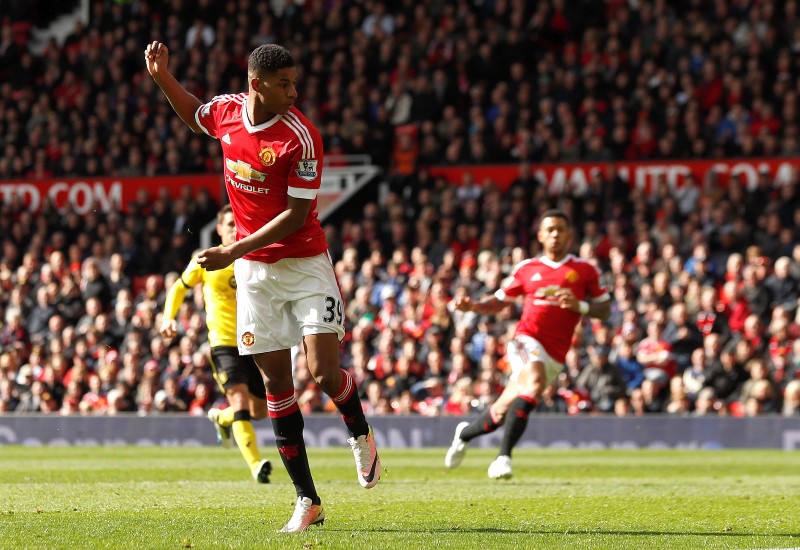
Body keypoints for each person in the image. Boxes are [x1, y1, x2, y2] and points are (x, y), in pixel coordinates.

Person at [145, 41, 380, 532]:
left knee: (323, 372)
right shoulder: (229, 113)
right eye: (284, 84)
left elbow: (296, 215)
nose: (294, 92)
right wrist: (162, 76)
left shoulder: (303, 138)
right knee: (276, 385)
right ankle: (307, 499)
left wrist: (231, 250)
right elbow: (195, 116)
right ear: (257, 85)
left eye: (295, 82)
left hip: (305, 264)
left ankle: (359, 432)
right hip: (256, 274)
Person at [445, 209, 611, 478]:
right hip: (526, 340)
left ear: (570, 235)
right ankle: (503, 458)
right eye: (550, 229)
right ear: (541, 236)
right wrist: (474, 306)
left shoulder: (584, 270)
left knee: (501, 411)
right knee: (534, 382)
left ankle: (464, 433)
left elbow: (604, 309)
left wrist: (579, 305)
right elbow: (500, 301)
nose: (556, 234)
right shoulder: (527, 268)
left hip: (556, 354)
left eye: (561, 229)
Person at [159, 205, 271, 484]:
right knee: (241, 401)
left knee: (259, 411)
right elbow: (180, 287)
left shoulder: (254, 256)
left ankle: (223, 419)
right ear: (219, 229)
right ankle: (256, 465)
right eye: (229, 224)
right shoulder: (207, 259)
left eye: (237, 224)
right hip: (222, 343)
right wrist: (168, 318)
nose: (234, 229)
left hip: (255, 342)